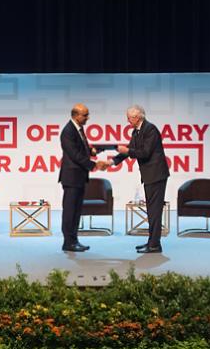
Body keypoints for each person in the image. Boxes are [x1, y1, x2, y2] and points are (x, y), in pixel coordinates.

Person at [111, 105, 170, 253]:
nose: (127, 120)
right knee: (151, 210)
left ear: (137, 117)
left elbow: (145, 153)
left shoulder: (150, 129)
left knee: (154, 211)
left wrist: (128, 150)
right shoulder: (136, 131)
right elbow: (130, 150)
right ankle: (152, 242)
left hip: (156, 175)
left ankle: (154, 245)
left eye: (129, 118)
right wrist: (112, 162)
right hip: (149, 175)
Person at [59, 103, 108, 252]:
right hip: (71, 178)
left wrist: (92, 151)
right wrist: (94, 165)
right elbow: (75, 155)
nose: (88, 117)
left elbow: (81, 150)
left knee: (76, 211)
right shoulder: (68, 131)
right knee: (70, 211)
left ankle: (74, 240)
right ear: (76, 115)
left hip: (79, 177)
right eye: (85, 115)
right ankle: (68, 242)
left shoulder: (78, 129)